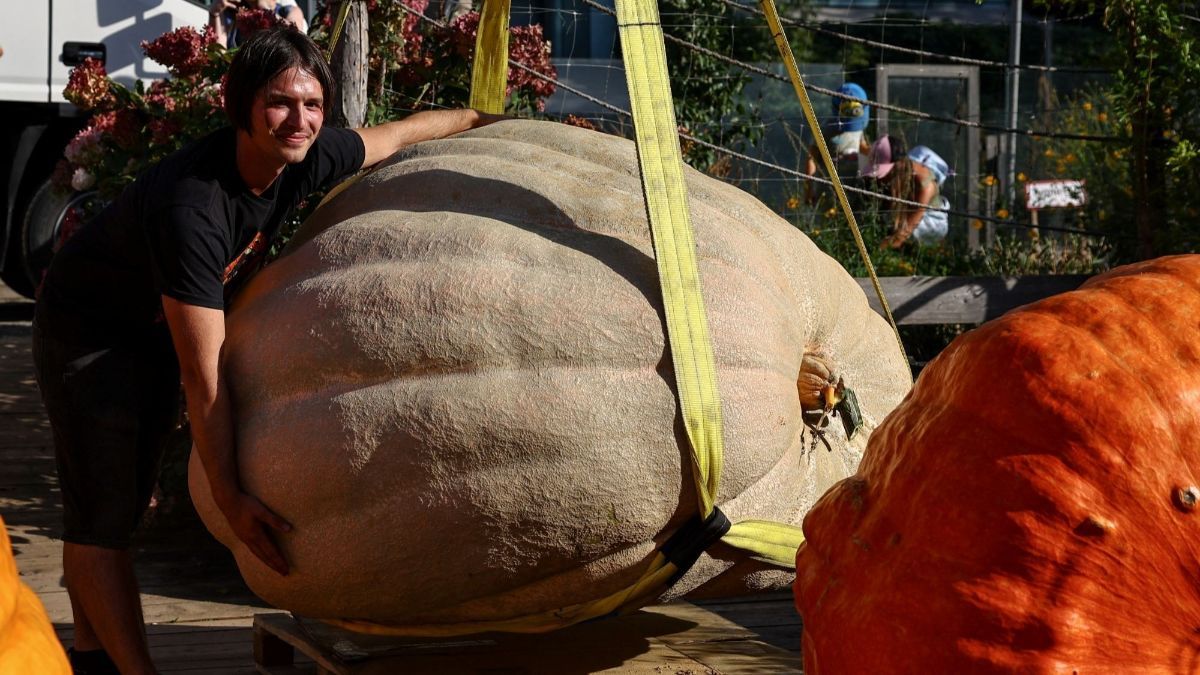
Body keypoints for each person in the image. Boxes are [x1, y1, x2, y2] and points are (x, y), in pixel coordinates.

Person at [33, 26, 499, 675]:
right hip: (91, 333)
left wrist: (480, 117)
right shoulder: (193, 207)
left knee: (113, 504)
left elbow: (400, 134)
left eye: (312, 104)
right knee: (102, 517)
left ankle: (92, 657)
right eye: (280, 102)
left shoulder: (308, 153)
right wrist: (228, 496)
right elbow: (207, 379)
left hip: (149, 328)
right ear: (241, 105)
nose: (300, 119)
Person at [860, 134, 952, 248]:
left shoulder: (925, 186)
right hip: (906, 207)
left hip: (929, 223)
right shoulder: (898, 163)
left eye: (885, 171)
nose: (881, 178)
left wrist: (871, 254)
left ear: (899, 165)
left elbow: (903, 234)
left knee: (906, 235)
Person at [803, 82, 871, 203]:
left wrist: (877, 154)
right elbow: (811, 159)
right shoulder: (824, 129)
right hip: (828, 190)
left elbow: (862, 147)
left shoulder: (859, 127)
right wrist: (809, 189)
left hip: (854, 188)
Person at [210, 0, 309, 48]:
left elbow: (295, 33)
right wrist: (215, 14)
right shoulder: (233, 14)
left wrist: (266, 9)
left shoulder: (288, 11)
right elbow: (219, 51)